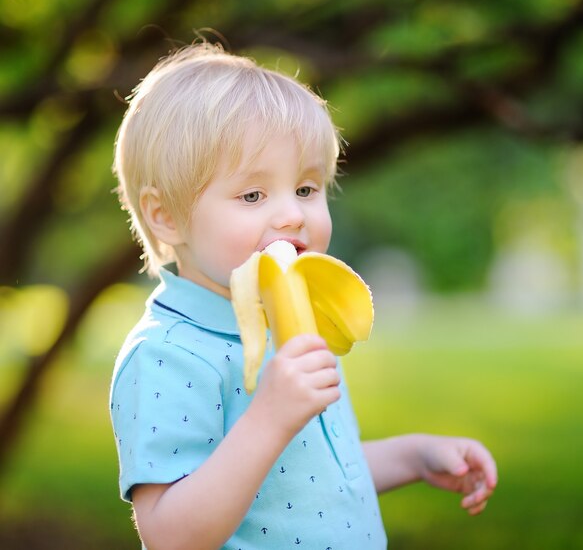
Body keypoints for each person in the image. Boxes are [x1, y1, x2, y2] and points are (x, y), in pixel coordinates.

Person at [110, 43, 497, 550]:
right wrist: (268, 418)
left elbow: (310, 481)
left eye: (307, 189)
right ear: (164, 216)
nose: (293, 215)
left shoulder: (294, 322)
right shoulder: (167, 355)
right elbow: (169, 536)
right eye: (253, 195)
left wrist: (415, 457)